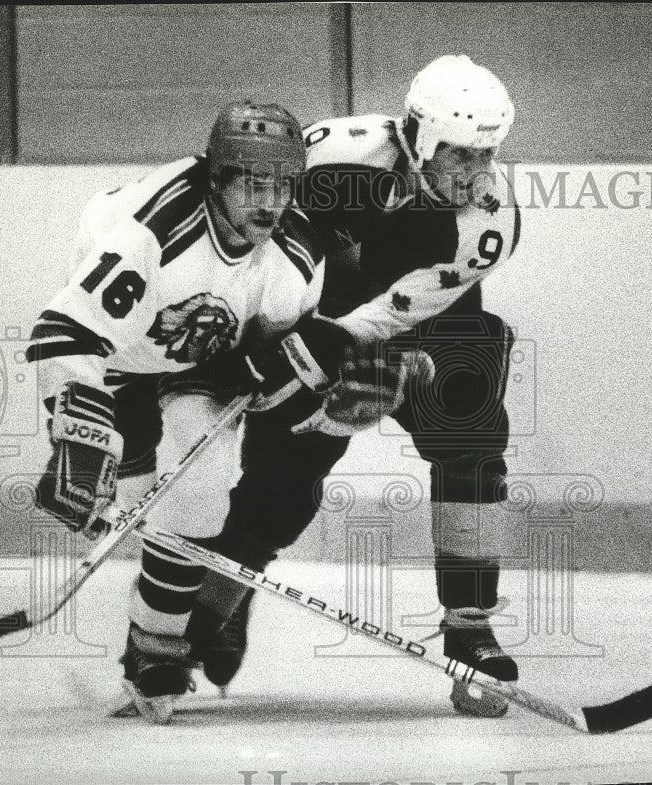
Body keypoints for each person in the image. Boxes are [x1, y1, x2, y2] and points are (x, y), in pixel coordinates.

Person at [188, 55, 523, 719]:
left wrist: (378, 361)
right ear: (420, 137)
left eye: (488, 153)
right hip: (311, 313)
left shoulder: (492, 217)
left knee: (474, 428)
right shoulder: (333, 154)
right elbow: (261, 238)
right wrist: (259, 340)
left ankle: (470, 625)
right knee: (277, 497)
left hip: (427, 331)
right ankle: (209, 614)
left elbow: (405, 309)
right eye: (460, 154)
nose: (476, 173)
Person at [28, 101, 369, 724]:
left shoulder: (297, 254)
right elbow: (62, 334)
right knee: (135, 500)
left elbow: (273, 360)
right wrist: (77, 432)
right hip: (120, 358)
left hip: (202, 366)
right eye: (252, 185)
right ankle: (157, 620)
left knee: (202, 492)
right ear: (217, 178)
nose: (269, 204)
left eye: (282, 186)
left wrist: (293, 372)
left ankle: (154, 648)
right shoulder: (148, 232)